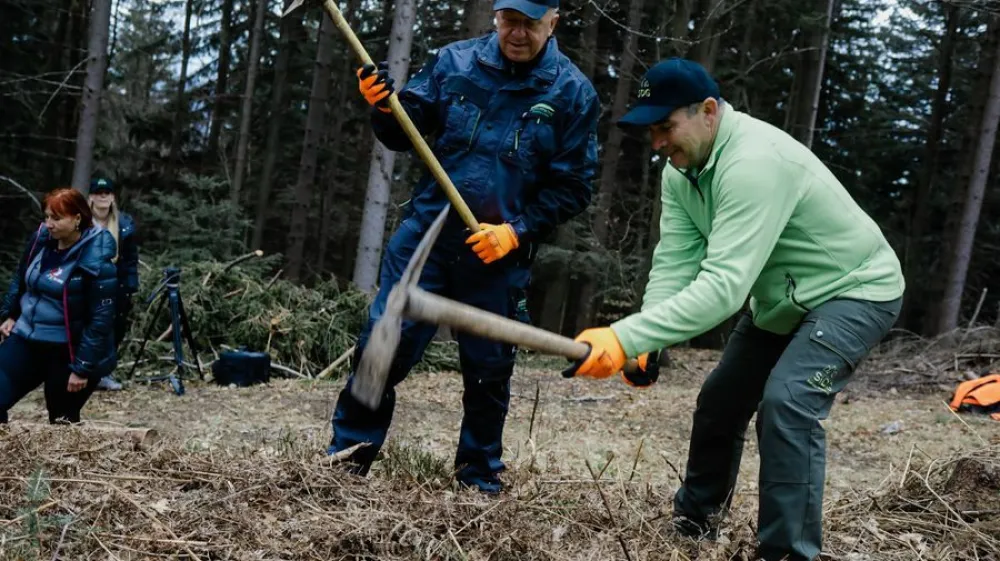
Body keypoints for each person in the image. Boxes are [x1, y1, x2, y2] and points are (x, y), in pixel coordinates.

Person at [562, 59, 905, 561]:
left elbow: (724, 288)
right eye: (650, 131)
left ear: (708, 111)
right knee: (721, 398)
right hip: (784, 299)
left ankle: (786, 553)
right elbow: (676, 263)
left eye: (665, 127)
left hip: (855, 289)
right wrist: (647, 341)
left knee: (788, 402)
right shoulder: (681, 172)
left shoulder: (754, 163)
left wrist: (622, 337)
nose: (657, 142)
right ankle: (694, 526)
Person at [328, 0, 600, 494]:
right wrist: (384, 107)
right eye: (509, 20)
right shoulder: (455, 62)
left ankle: (477, 479)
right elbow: (403, 131)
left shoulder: (572, 93)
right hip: (428, 237)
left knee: (488, 372)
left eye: (530, 24)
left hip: (496, 255)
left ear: (553, 23)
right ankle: (347, 462)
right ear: (496, 16)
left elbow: (575, 187)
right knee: (380, 351)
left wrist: (516, 231)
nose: (517, 33)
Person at [0, 187, 118, 424]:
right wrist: (10, 314)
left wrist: (82, 367)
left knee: (62, 422)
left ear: (77, 219)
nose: (48, 224)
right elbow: (21, 279)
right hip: (26, 339)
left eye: (56, 218)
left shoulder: (96, 257)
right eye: (46, 217)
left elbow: (101, 318)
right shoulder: (41, 240)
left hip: (67, 350)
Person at [88, 177, 139, 391]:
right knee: (89, 327)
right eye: (98, 192)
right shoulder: (80, 221)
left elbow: (131, 258)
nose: (102, 196)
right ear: (91, 197)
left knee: (114, 328)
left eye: (106, 192)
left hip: (115, 283)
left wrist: (131, 284)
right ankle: (83, 371)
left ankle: (104, 373)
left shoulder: (124, 224)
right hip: (87, 281)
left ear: (112, 197)